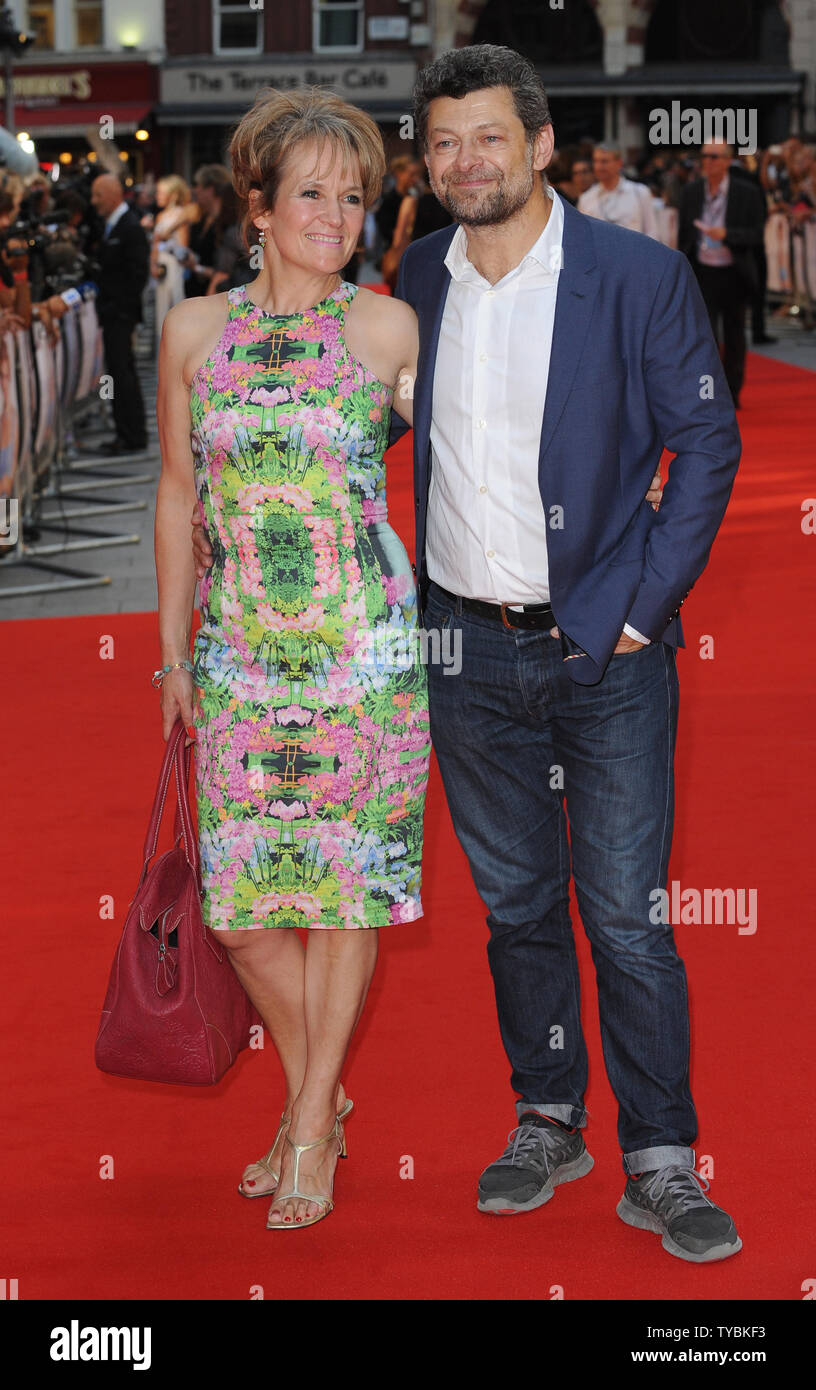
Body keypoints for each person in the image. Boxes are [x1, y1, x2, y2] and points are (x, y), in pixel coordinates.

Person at [155, 86, 428, 1231]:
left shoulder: (385, 329)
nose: (335, 214)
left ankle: (309, 1120)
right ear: (256, 206)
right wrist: (171, 651)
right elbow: (177, 493)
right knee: (243, 912)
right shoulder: (193, 332)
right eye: (310, 192)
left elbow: (479, 457)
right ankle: (325, 1087)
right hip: (238, 653)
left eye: (353, 194)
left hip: (365, 648)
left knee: (345, 890)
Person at [678, 140, 767, 408]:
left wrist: (727, 235)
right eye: (704, 156)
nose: (708, 162)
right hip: (702, 270)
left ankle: (732, 390)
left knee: (734, 332)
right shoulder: (691, 191)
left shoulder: (747, 193)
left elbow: (756, 234)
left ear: (728, 160)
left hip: (734, 271)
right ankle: (709, 391)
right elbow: (684, 235)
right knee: (705, 336)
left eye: (714, 157)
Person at [87, 173, 150, 454]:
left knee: (122, 374)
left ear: (112, 195)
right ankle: (125, 432)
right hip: (113, 313)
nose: (93, 202)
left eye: (97, 195)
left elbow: (138, 275)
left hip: (120, 315)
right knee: (118, 373)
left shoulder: (129, 227)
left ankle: (132, 435)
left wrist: (118, 308)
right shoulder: (113, 225)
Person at [579, 142, 660, 240]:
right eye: (596, 161)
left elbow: (652, 232)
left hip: (634, 253)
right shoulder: (586, 198)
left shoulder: (640, 192)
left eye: (604, 161)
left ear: (619, 163)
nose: (599, 167)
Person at [150, 175, 193, 349]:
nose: (157, 196)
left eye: (161, 192)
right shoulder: (160, 216)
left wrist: (165, 241)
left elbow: (183, 247)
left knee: (174, 304)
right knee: (160, 312)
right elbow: (154, 244)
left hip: (174, 268)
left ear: (173, 194)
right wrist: (153, 264)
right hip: (160, 269)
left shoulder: (181, 216)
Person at [183, 164, 230, 298]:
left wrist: (197, 268)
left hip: (215, 296)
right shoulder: (201, 219)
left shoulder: (225, 225)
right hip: (194, 291)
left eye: (198, 185)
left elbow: (225, 271)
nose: (194, 190)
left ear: (210, 189)